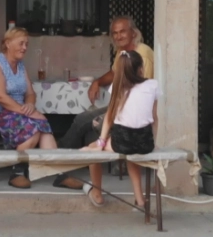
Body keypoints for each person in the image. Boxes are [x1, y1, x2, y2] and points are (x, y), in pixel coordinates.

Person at [0, 27, 84, 190]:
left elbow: (30, 93)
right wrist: (25, 112)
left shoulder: (20, 65)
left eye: (26, 44)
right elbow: (0, 97)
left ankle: (60, 174)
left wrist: (30, 105)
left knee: (42, 123)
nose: (25, 47)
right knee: (33, 128)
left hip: (16, 109)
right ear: (8, 43)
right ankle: (17, 173)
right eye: (21, 43)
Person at [58, 15, 154, 150]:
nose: (118, 36)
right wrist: (97, 82)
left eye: (122, 31)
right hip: (119, 105)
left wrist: (118, 112)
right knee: (83, 120)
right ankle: (63, 153)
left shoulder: (142, 55)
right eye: (115, 33)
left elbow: (143, 92)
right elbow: (115, 73)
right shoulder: (123, 52)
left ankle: (61, 153)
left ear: (133, 33)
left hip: (131, 110)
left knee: (93, 124)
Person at [81, 50, 160, 208]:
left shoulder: (117, 86)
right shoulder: (153, 85)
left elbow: (109, 118)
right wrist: (153, 143)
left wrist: (100, 143)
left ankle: (97, 194)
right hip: (145, 143)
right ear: (141, 69)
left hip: (122, 141)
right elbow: (154, 118)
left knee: (92, 148)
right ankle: (139, 198)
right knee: (132, 152)